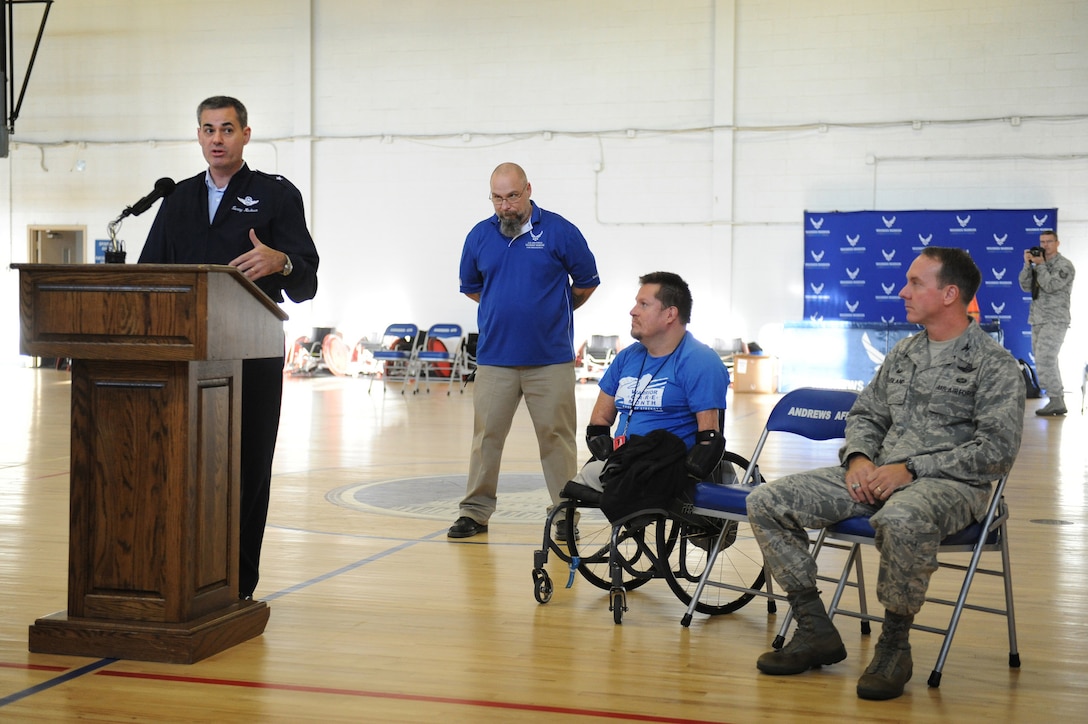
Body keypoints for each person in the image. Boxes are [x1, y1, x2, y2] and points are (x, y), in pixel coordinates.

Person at [746, 247, 1024, 701]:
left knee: (900, 519)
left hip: (952, 485)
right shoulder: (904, 352)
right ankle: (814, 627)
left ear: (950, 294)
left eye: (916, 282)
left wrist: (912, 469)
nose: (903, 291)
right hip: (878, 474)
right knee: (766, 500)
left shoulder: (993, 365)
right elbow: (867, 414)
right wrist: (857, 458)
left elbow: (996, 453)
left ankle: (894, 646)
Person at [139, 95, 320, 599]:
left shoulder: (275, 195)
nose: (216, 139)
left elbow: (307, 281)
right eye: (207, 129)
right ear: (198, 136)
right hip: (186, 355)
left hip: (253, 352)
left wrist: (280, 261)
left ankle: (237, 586)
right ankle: (182, 578)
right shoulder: (176, 200)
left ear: (245, 135)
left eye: (226, 129)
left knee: (246, 468)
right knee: (183, 468)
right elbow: (150, 272)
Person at [449, 162, 600, 540]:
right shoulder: (479, 236)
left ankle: (565, 516)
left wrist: (550, 311)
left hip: (550, 360)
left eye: (512, 196)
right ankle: (475, 513)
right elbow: (473, 288)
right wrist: (508, 307)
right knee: (486, 439)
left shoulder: (560, 231)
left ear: (529, 189)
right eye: (497, 198)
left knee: (557, 440)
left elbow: (585, 284)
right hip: (495, 360)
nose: (506, 206)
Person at [571, 272, 730, 500]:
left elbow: (709, 440)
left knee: (588, 483)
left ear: (670, 314)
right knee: (571, 493)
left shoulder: (700, 360)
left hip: (664, 466)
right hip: (624, 462)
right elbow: (598, 425)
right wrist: (605, 450)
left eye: (643, 304)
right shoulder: (627, 357)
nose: (633, 311)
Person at [1018, 230, 1075, 416]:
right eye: (1042, 241)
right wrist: (1028, 265)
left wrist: (1040, 266)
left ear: (1057, 243)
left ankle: (1056, 400)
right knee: (1043, 359)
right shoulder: (1037, 264)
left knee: (1046, 359)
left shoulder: (1064, 265)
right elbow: (1025, 286)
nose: (1045, 245)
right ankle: (1056, 400)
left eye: (1049, 241)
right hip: (1038, 319)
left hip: (1055, 319)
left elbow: (1050, 286)